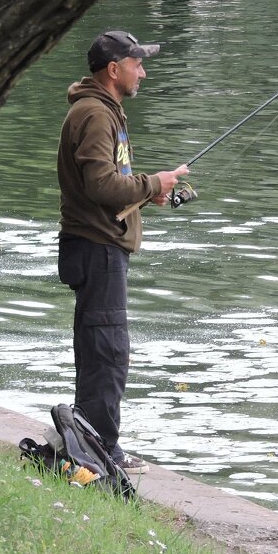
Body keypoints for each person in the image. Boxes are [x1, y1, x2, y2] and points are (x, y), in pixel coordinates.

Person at [56, 30, 188, 475]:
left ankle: (90, 445)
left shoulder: (101, 110)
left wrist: (148, 191)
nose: (143, 72)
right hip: (97, 250)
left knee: (101, 349)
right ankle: (99, 453)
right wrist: (154, 183)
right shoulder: (95, 114)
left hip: (97, 248)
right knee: (107, 352)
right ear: (114, 69)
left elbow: (109, 183)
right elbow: (99, 186)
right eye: (138, 64)